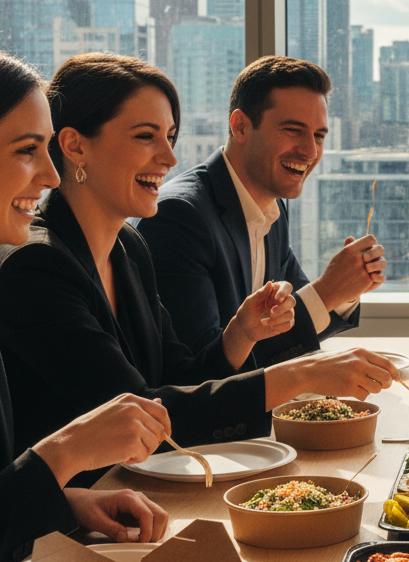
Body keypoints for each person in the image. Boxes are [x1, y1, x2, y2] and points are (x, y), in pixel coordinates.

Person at [0, 53, 399, 478]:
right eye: (145, 137)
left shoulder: (128, 247)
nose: (170, 159)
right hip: (67, 525)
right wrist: (297, 377)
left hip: (131, 500)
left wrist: (239, 336)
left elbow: (181, 376)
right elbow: (144, 414)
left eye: (170, 136)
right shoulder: (37, 267)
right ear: (76, 146)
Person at [0, 53, 171, 562]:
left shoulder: (130, 248)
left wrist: (70, 501)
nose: (51, 175)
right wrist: (62, 456)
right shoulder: (34, 269)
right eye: (29, 150)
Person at [137, 56, 387, 367]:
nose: (310, 151)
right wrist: (327, 292)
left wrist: (348, 288)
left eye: (319, 136)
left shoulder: (272, 207)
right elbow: (200, 373)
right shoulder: (179, 217)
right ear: (240, 126)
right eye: (293, 130)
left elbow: (289, 331)